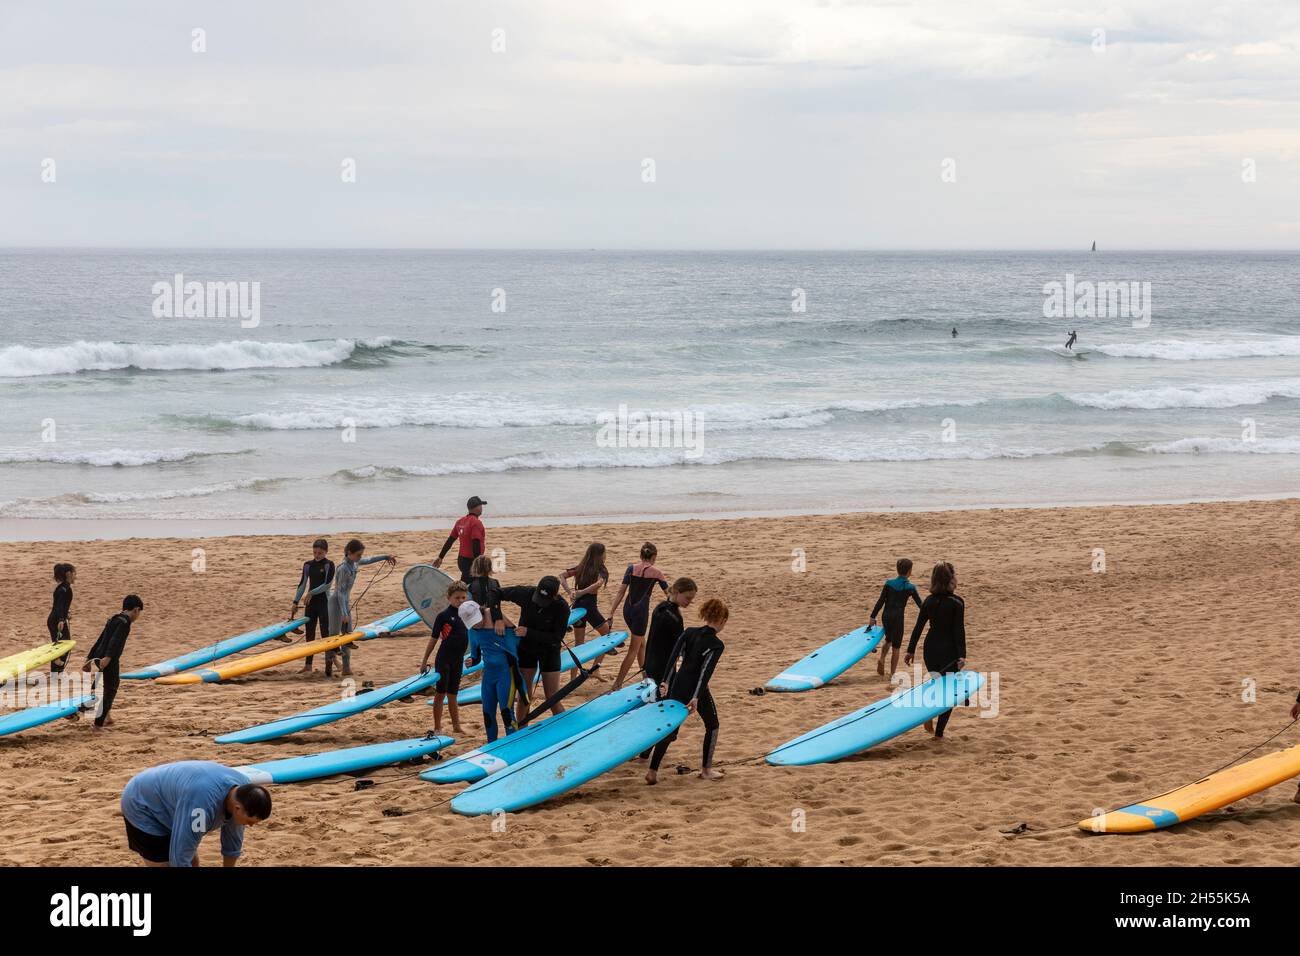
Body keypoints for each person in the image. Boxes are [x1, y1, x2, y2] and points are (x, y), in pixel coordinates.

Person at [120, 760, 271, 867]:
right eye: (250, 821)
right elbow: (180, 857)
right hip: (142, 803)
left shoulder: (241, 793)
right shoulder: (200, 809)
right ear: (238, 809)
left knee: (193, 862)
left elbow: (232, 842)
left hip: (174, 800)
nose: (250, 825)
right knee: (165, 864)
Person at [646, 598, 728, 784]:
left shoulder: (689, 632)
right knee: (713, 725)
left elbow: (673, 658)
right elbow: (704, 673)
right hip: (695, 689)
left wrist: (666, 681)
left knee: (670, 730)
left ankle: (652, 771)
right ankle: (706, 770)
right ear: (723, 620)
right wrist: (696, 696)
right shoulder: (716, 644)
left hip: (677, 683)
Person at [634, 577, 697, 760]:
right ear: (677, 593)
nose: (689, 602)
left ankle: (646, 750)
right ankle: (649, 749)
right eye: (687, 598)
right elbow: (680, 646)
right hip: (663, 668)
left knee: (655, 705)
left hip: (652, 663)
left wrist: (644, 665)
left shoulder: (660, 608)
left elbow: (652, 639)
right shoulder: (673, 617)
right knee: (663, 708)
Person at [904, 561, 967, 740]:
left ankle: (930, 714)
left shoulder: (928, 602)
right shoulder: (957, 602)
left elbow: (918, 627)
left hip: (930, 649)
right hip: (949, 651)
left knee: (937, 685)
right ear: (951, 579)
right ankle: (939, 733)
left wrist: (910, 650)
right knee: (949, 693)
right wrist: (962, 654)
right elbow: (958, 630)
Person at [499, 575, 572, 725]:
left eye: (545, 601)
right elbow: (495, 592)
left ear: (555, 596)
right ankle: (522, 729)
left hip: (549, 650)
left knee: (552, 696)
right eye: (539, 598)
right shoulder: (526, 593)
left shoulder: (562, 607)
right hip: (527, 649)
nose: (540, 603)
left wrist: (528, 632)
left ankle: (565, 730)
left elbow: (556, 638)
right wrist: (497, 616)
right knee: (524, 694)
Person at [324, 539, 396, 678]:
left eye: (360, 555)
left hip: (345, 602)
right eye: (358, 555)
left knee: (348, 635)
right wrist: (344, 612)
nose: (360, 557)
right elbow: (339, 592)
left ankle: (346, 667)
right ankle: (328, 666)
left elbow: (369, 560)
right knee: (333, 637)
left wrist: (386, 556)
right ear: (349, 553)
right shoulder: (343, 568)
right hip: (336, 603)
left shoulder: (354, 562)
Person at [608, 543, 669, 689]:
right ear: (654, 557)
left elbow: (621, 592)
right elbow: (670, 595)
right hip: (641, 613)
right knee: (633, 649)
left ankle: (646, 676)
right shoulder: (657, 573)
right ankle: (617, 683)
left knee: (642, 644)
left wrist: (611, 612)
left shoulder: (631, 569)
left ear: (641, 556)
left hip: (627, 611)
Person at [464, 600, 523, 742]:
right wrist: (472, 660)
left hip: (506, 673)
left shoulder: (495, 616)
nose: (475, 625)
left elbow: (517, 638)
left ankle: (513, 743)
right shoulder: (472, 630)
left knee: (506, 712)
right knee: (487, 713)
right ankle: (492, 744)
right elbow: (476, 654)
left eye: (475, 621)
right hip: (488, 675)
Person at [81, 595, 143, 729]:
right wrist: (108, 657)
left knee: (106, 687)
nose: (137, 617)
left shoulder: (114, 618)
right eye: (139, 613)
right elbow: (115, 640)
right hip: (108, 659)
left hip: (98, 656)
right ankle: (97, 722)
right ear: (136, 610)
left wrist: (89, 659)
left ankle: (107, 717)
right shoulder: (125, 622)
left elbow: (100, 639)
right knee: (111, 688)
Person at [420, 581, 470, 735]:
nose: (460, 601)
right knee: (441, 693)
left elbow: (474, 636)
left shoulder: (467, 615)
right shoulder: (443, 616)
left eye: (463, 597)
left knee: (454, 694)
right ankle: (437, 727)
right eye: (457, 598)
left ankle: (456, 726)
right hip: (444, 659)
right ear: (449, 598)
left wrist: (475, 656)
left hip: (458, 660)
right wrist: (424, 661)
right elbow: (434, 639)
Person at [560, 542, 613, 680]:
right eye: (604, 553)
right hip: (589, 608)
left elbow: (562, 576)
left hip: (578, 607)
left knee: (579, 644)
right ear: (600, 555)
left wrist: (572, 592)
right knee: (607, 636)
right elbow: (598, 584)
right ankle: (596, 669)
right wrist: (578, 592)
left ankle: (573, 678)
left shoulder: (581, 567)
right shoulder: (601, 569)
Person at [869, 558, 923, 681]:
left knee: (888, 639)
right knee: (896, 647)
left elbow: (881, 601)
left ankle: (882, 658)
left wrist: (872, 616)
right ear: (910, 571)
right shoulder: (910, 587)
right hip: (898, 618)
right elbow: (921, 605)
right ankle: (892, 674)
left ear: (897, 570)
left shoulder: (888, 583)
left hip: (886, 616)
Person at [291, 539, 335, 670]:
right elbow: (302, 584)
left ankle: (329, 665)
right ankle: (308, 665)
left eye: (320, 553)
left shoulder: (329, 565)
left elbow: (327, 585)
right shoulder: (308, 565)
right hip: (311, 604)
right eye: (315, 552)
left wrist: (311, 592)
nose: (317, 555)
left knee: (325, 634)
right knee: (309, 634)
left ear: (326, 552)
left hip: (324, 603)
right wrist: (295, 601)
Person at [433, 496, 487, 583]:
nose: (482, 508)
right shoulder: (476, 523)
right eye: (481, 505)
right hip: (471, 561)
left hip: (461, 560)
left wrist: (440, 557)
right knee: (472, 585)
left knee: (467, 581)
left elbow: (450, 541)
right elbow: (475, 543)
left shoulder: (460, 521)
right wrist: (477, 562)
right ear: (477, 507)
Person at [466, 555, 505, 635]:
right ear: (490, 568)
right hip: (494, 617)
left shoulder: (471, 586)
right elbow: (498, 602)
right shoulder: (496, 583)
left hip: (478, 620)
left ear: (475, 568)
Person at [47, 563, 75, 674]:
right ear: (68, 574)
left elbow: (62, 605)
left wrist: (66, 613)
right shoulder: (63, 589)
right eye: (73, 573)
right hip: (55, 622)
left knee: (63, 646)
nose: (75, 576)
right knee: (62, 646)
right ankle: (56, 671)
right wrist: (61, 619)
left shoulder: (65, 588)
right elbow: (58, 606)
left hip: (57, 620)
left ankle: (57, 672)